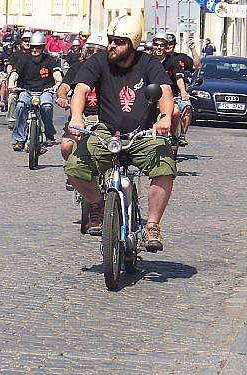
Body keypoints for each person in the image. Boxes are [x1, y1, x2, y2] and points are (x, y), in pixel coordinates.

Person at [65, 15, 175, 252]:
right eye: (110, 40)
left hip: (143, 133)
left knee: (165, 164)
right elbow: (81, 90)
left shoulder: (148, 64)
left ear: (133, 44)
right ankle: (97, 205)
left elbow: (165, 91)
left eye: (119, 41)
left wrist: (165, 118)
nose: (112, 45)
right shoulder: (98, 61)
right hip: (107, 132)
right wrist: (76, 117)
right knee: (74, 168)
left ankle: (152, 226)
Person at [56, 32, 108, 162]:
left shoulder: (114, 71)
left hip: (107, 118)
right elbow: (64, 86)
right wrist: (62, 97)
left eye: (100, 52)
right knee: (67, 145)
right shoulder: (78, 67)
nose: (94, 56)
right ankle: (71, 175)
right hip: (81, 117)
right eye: (91, 51)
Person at [8, 31, 62, 151]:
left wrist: (58, 83)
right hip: (26, 90)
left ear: (43, 47)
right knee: (21, 106)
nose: (35, 50)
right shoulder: (23, 59)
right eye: (33, 47)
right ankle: (19, 139)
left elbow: (57, 73)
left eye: (38, 47)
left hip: (45, 90)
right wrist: (11, 83)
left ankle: (49, 134)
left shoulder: (50, 60)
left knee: (46, 106)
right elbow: (15, 73)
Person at [154, 33, 195, 146]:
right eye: (156, 45)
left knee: (176, 111)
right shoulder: (147, 60)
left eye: (162, 45)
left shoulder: (172, 61)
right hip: (151, 96)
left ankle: (173, 135)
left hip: (170, 96)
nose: (158, 48)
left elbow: (179, 77)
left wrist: (182, 91)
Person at [5, 31, 32, 126]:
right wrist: (10, 76)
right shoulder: (16, 55)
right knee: (12, 97)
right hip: (18, 82)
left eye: (29, 41)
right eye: (25, 41)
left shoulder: (36, 54)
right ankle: (12, 119)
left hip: (34, 83)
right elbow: (9, 66)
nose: (27, 43)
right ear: (21, 42)